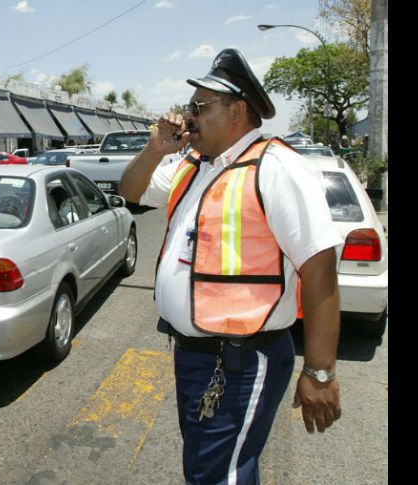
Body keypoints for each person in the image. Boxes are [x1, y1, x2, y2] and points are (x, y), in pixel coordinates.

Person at [119, 48, 343, 484]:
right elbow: (131, 191)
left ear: (238, 110)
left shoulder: (276, 168)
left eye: (199, 107)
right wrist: (153, 149)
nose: (188, 117)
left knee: (215, 474)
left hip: (240, 360)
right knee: (218, 468)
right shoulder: (194, 165)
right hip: (195, 355)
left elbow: (319, 268)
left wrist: (319, 370)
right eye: (190, 107)